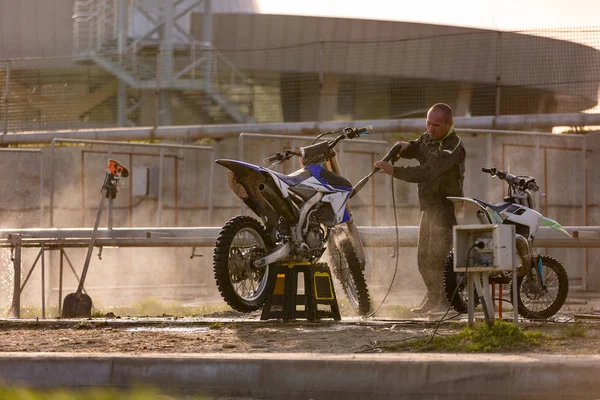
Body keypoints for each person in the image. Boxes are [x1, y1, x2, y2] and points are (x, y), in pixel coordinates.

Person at [374, 103, 466, 314]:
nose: (430, 129)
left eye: (436, 125)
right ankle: (433, 298)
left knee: (439, 258)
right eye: (428, 123)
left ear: (449, 124)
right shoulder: (428, 137)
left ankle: (445, 302)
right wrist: (405, 147)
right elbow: (417, 148)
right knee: (423, 259)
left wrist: (394, 171)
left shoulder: (452, 146)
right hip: (429, 208)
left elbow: (427, 171)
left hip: (445, 209)